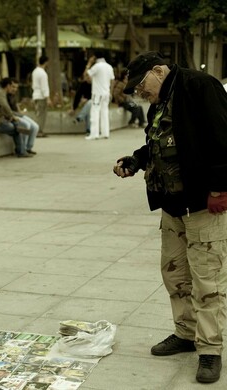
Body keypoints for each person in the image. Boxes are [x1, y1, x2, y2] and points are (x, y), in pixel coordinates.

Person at [112, 51, 227, 384]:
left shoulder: (200, 87)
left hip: (204, 204)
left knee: (208, 279)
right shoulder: (160, 102)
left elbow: (224, 137)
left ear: (158, 71)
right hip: (173, 205)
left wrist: (220, 188)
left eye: (141, 85)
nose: (140, 93)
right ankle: (186, 333)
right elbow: (158, 144)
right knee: (175, 272)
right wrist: (135, 160)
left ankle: (211, 350)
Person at [0, 77, 33, 158]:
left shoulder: (0, 93)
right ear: (7, 86)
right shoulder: (0, 94)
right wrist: (12, 116)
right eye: (12, 86)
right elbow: (5, 106)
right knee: (17, 129)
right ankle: (21, 151)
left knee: (16, 127)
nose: (13, 89)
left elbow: (3, 109)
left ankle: (22, 150)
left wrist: (9, 117)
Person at [84, 51, 114, 140]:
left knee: (95, 112)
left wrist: (89, 63)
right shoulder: (109, 67)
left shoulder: (96, 67)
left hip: (97, 93)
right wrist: (110, 92)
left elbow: (86, 74)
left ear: (95, 57)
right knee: (105, 112)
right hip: (106, 93)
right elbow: (113, 80)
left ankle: (94, 134)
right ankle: (105, 133)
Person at [7, 86, 39, 154]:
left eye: (16, 87)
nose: (14, 89)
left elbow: (16, 107)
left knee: (35, 126)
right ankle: (23, 148)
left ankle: (28, 147)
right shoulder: (4, 96)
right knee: (26, 125)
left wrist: (20, 111)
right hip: (12, 115)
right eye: (12, 87)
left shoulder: (13, 96)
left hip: (18, 114)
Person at [31, 55, 51, 138]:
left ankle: (38, 130)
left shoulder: (35, 71)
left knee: (38, 113)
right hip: (41, 96)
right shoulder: (43, 73)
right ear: (46, 62)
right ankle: (39, 131)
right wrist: (48, 98)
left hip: (36, 95)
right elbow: (44, 87)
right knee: (41, 115)